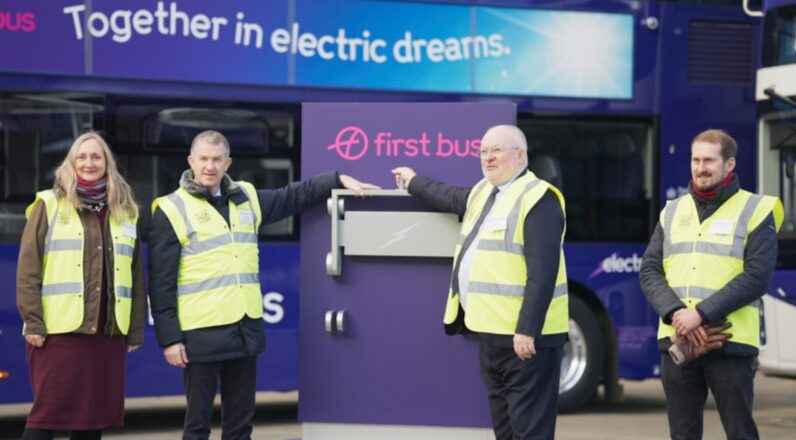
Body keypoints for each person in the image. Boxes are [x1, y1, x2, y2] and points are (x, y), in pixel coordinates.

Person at [148, 130, 378, 440]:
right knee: (197, 426)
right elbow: (160, 281)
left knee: (240, 427)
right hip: (200, 333)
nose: (210, 166)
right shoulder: (171, 209)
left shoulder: (247, 198)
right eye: (203, 159)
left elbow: (293, 196)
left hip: (245, 329)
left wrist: (337, 179)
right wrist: (170, 339)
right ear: (191, 161)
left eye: (217, 159)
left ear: (228, 162)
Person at [392, 124, 569, 440]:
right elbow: (449, 196)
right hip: (492, 336)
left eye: (496, 151)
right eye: (483, 151)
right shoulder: (484, 193)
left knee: (530, 431)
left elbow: (543, 271)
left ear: (520, 155)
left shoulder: (538, 198)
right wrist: (413, 182)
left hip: (526, 341)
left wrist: (527, 329)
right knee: (505, 430)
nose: (488, 158)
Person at [639, 129, 783, 440]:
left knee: (740, 433)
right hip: (678, 341)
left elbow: (757, 276)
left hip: (729, 343)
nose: (700, 167)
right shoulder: (673, 211)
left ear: (729, 164)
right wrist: (676, 312)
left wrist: (700, 314)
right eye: (695, 159)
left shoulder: (756, 210)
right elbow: (649, 269)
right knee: (682, 434)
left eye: (709, 160)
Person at [16, 132, 147, 440]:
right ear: (71, 163)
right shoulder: (49, 204)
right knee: (46, 417)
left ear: (107, 164)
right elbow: (27, 269)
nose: (89, 163)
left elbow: (136, 275)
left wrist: (135, 328)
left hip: (107, 332)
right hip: (58, 332)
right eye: (82, 157)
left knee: (92, 420)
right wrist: (33, 321)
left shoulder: (125, 211)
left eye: (96, 157)